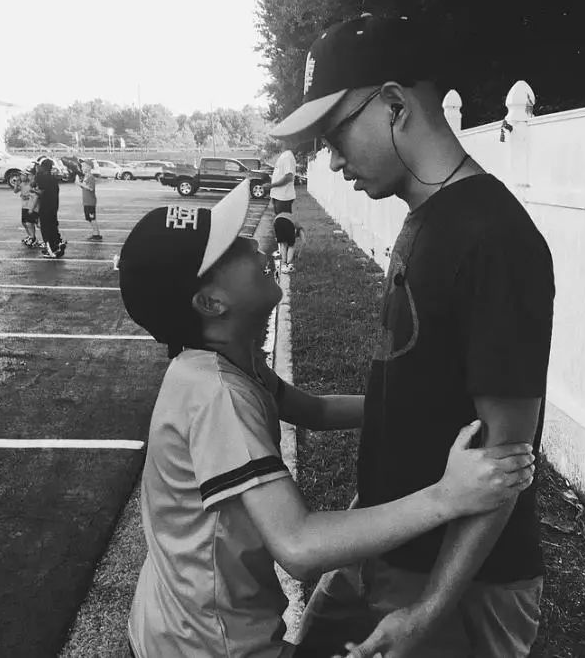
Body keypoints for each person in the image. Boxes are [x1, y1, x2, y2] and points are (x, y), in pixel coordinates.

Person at [117, 180, 536, 658]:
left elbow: (313, 410)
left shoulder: (222, 364)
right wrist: (448, 496)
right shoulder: (216, 395)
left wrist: (423, 407)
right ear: (211, 304)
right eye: (232, 247)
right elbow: (299, 545)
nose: (255, 243)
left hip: (172, 627)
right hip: (207, 646)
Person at [271, 14, 556, 658]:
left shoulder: (495, 241)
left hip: (463, 586)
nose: (332, 159)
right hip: (388, 548)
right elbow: (416, 399)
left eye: (336, 135)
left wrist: (427, 612)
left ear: (395, 105)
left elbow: (506, 461)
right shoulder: (425, 216)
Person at [34, 158, 66, 259]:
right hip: (54, 206)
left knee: (46, 229)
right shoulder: (53, 178)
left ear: (43, 167)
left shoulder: (41, 177)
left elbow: (41, 191)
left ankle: (51, 249)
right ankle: (58, 244)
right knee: (53, 226)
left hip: (45, 206)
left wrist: (32, 190)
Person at [74, 159, 101, 241]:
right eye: (82, 166)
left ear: (89, 167)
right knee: (89, 218)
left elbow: (91, 188)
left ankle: (96, 234)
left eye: (84, 166)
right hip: (87, 201)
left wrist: (79, 183)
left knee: (92, 218)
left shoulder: (90, 177)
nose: (82, 168)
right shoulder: (86, 176)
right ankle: (95, 233)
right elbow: (85, 187)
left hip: (90, 201)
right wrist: (79, 183)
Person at [16, 170, 41, 248]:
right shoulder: (22, 184)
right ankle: (30, 236)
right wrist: (16, 183)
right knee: (24, 222)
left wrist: (27, 196)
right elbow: (15, 191)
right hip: (24, 206)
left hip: (31, 206)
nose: (21, 177)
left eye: (23, 175)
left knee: (30, 223)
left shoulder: (32, 184)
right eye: (21, 175)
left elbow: (35, 195)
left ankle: (33, 237)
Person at [269, 147, 297, 214]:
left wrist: (271, 185)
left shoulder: (287, 156)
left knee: (282, 219)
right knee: (279, 219)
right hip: (279, 197)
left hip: (283, 198)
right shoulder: (283, 155)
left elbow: (288, 177)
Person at [273, 210, 299, 274]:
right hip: (288, 223)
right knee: (291, 245)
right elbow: (303, 241)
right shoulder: (297, 222)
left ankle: (283, 264)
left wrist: (277, 236)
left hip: (277, 222)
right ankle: (288, 265)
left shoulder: (283, 215)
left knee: (283, 244)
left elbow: (274, 225)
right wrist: (299, 255)